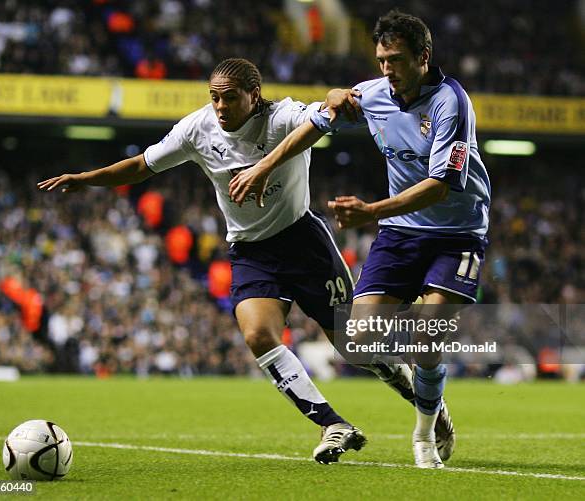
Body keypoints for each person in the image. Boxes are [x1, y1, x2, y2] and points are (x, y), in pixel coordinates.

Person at [38, 57, 424, 464]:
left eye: (230, 98)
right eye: (214, 98)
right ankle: (332, 424)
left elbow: (324, 109)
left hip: (304, 243)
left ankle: (422, 396)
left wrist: (334, 97)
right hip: (251, 250)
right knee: (258, 335)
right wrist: (86, 179)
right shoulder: (197, 128)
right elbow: (141, 166)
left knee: (356, 347)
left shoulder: (281, 118)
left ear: (253, 96)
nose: (220, 107)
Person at [229, 9, 489, 469]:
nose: (387, 70)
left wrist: (369, 212)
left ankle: (426, 434)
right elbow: (314, 124)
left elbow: (440, 185)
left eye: (397, 60)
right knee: (360, 337)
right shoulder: (372, 94)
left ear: (423, 57)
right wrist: (263, 165)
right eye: (381, 60)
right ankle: (433, 396)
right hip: (402, 232)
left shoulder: (451, 102)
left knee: (428, 340)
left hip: (456, 232)